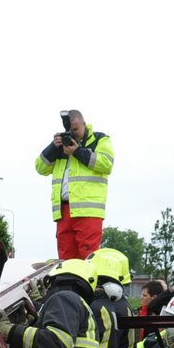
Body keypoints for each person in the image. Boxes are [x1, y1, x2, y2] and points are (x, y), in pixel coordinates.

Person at [35, 109, 114, 260]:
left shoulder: (100, 139)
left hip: (88, 210)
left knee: (88, 258)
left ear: (85, 124)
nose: (74, 133)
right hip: (63, 211)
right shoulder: (60, 147)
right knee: (66, 260)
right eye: (71, 130)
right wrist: (53, 147)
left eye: (76, 129)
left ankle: (88, 284)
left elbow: (106, 164)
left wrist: (77, 151)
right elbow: (40, 168)